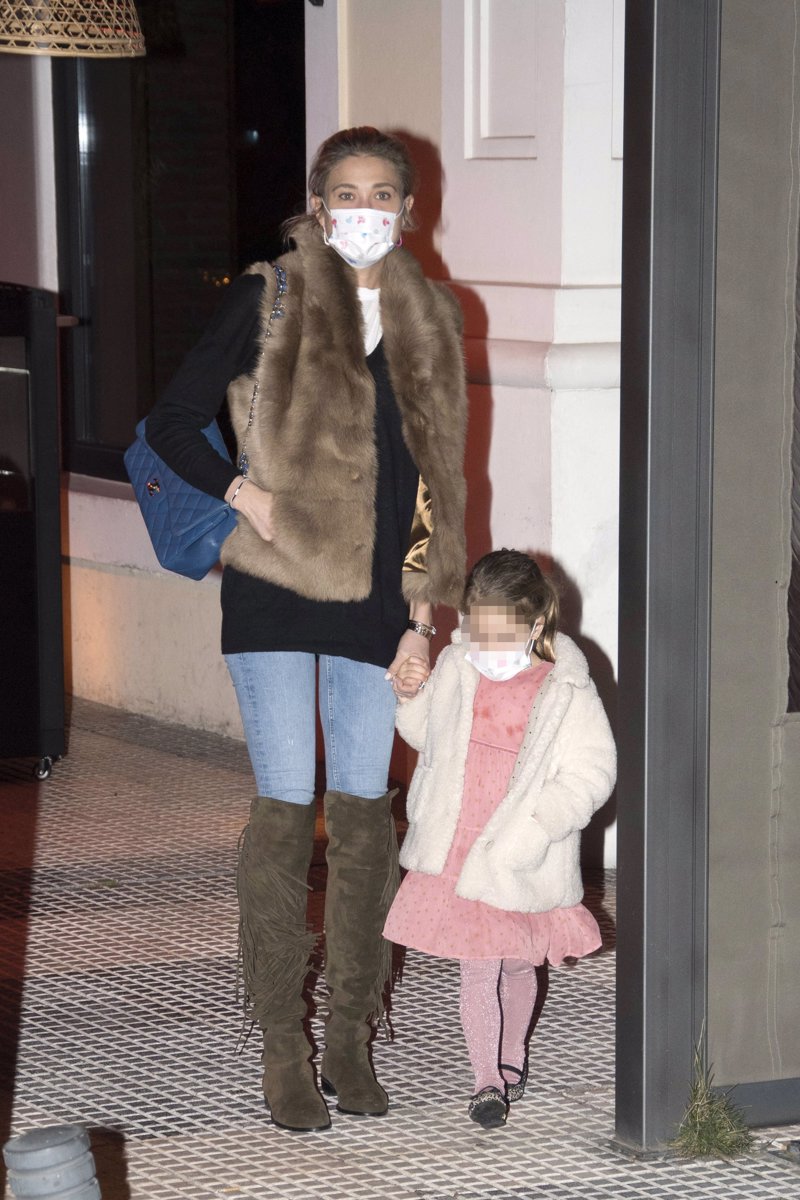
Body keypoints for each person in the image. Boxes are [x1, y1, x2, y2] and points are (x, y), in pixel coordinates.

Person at [146, 127, 468, 1132]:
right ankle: (281, 1046)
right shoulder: (270, 295)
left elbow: (437, 484)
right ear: (319, 206)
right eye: (346, 193)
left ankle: (349, 1037)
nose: (364, 208)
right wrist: (245, 494)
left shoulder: (432, 314)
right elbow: (170, 420)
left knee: (367, 816)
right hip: (274, 591)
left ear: (408, 210)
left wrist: (422, 619)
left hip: (377, 604)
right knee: (286, 810)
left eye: (382, 193)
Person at [383, 549, 616, 1128]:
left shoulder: (565, 687)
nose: (485, 647)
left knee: (516, 962)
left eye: (499, 635)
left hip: (517, 849)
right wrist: (409, 694)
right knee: (478, 963)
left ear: (535, 624)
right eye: (476, 630)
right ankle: (486, 1080)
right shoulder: (458, 664)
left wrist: (539, 826)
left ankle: (513, 1054)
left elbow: (593, 771)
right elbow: (425, 733)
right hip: (460, 844)